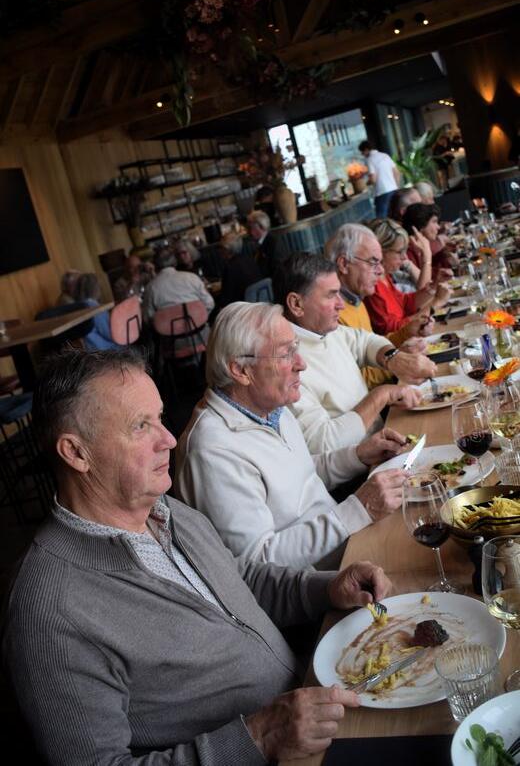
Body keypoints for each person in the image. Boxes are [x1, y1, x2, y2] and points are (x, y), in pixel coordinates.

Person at [2, 347, 392, 764]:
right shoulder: (50, 612)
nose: (169, 439)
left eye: (159, 417)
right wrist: (259, 736)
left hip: (313, 697)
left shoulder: (161, 508)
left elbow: (239, 580)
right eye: (140, 426)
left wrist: (325, 588)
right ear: (76, 453)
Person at [175, 302, 409, 570]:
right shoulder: (211, 451)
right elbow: (258, 563)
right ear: (241, 370)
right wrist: (357, 509)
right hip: (325, 580)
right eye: (286, 354)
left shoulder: (269, 407)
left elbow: (300, 475)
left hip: (348, 544)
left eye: (296, 348)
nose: (302, 364)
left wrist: (358, 456)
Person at [273, 253, 436, 454]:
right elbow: (322, 444)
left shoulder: (321, 328)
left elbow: (366, 341)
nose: (341, 304)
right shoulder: (284, 362)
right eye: (331, 295)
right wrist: (382, 396)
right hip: (361, 467)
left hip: (386, 437)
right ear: (296, 304)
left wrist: (393, 358)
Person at [325, 223, 432, 388]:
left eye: (380, 262)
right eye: (373, 262)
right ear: (344, 264)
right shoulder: (333, 314)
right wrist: (397, 360)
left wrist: (406, 332)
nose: (381, 270)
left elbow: (372, 348)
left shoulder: (356, 300)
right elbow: (359, 381)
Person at [364, 219, 451, 336]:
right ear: (381, 252)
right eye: (399, 252)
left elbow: (405, 303)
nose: (404, 257)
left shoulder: (384, 276)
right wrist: (436, 302)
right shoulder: (371, 286)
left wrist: (434, 285)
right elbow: (392, 331)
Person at [142, 248, 214, 321]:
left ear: (155, 265)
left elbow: (147, 318)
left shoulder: (150, 288)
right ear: (175, 262)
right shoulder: (192, 277)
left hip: (167, 327)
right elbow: (209, 304)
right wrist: (199, 320)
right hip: (199, 325)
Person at [402, 202, 458, 275]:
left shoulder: (421, 245)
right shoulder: (407, 253)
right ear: (421, 224)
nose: (438, 227)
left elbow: (432, 267)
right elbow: (424, 278)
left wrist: (444, 254)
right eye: (434, 222)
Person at [73, 272, 121, 351]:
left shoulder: (76, 307)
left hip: (90, 350)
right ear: (95, 288)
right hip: (105, 350)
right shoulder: (94, 307)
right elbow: (110, 334)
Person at [218, 232, 263, 306]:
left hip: (243, 307)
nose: (220, 251)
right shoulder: (250, 260)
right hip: (260, 303)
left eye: (221, 248)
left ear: (226, 249)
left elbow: (226, 298)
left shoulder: (230, 268)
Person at [358, 140, 400, 218]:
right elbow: (396, 172)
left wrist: (365, 184)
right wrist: (396, 186)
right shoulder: (385, 155)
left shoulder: (370, 159)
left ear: (366, 149)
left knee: (381, 218)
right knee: (394, 214)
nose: (362, 154)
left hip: (382, 192)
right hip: (393, 189)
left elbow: (373, 179)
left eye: (362, 152)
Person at [247, 209, 283, 277]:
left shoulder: (273, 242)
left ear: (261, 227)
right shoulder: (260, 242)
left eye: (251, 228)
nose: (249, 232)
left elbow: (277, 270)